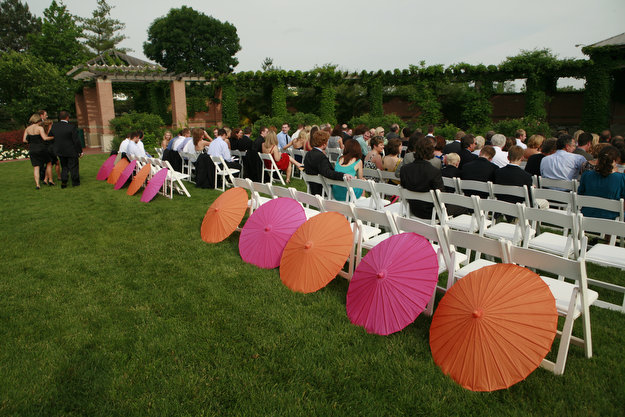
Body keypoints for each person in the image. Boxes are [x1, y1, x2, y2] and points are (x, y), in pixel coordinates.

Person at [400, 136, 444, 220]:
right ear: (431, 151)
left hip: (412, 207)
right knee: (461, 207)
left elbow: (404, 187)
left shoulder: (404, 169)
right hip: (431, 212)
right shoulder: (434, 171)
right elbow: (440, 195)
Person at [578, 145, 625, 219]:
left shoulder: (586, 175)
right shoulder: (621, 178)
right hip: (612, 218)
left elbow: (580, 194)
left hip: (587, 216)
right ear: (615, 161)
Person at [303, 130, 352, 196]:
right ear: (324, 144)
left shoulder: (308, 154)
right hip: (323, 190)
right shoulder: (321, 157)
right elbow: (328, 173)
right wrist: (343, 175)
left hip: (313, 188)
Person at [49, 111, 82, 188]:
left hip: (60, 150)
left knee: (64, 166)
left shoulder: (54, 127)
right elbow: (76, 140)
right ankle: (75, 182)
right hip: (71, 150)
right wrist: (79, 151)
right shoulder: (71, 127)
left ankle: (64, 181)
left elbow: (50, 136)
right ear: (67, 117)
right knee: (74, 166)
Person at [23, 113, 54, 189]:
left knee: (36, 167)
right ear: (38, 120)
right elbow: (45, 138)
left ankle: (37, 184)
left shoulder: (27, 129)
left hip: (32, 149)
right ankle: (50, 180)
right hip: (41, 148)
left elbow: (24, 140)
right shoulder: (39, 128)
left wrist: (31, 141)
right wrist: (53, 137)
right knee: (49, 163)